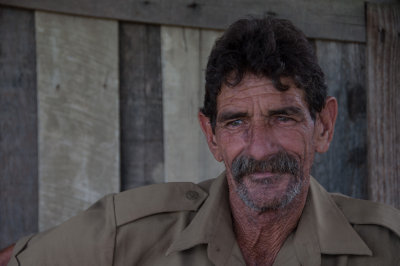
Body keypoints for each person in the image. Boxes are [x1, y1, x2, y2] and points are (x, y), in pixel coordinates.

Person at [4, 16, 400, 266]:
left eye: (283, 117)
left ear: (324, 127)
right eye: (235, 122)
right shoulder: (127, 236)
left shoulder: (387, 247)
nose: (259, 148)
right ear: (211, 137)